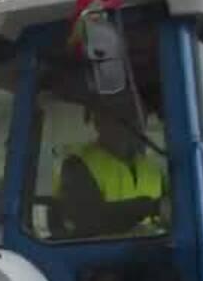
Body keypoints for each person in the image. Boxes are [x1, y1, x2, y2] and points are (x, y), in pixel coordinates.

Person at [55, 90, 167, 240]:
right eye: (123, 118)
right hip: (99, 259)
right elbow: (88, 219)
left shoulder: (153, 169)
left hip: (150, 257)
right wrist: (149, 208)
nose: (133, 125)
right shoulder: (76, 165)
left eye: (137, 118)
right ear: (99, 123)